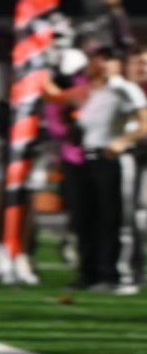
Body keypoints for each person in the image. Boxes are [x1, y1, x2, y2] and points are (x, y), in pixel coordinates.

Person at [44, 46, 147, 293]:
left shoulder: (124, 88)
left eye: (102, 61)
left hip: (112, 159)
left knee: (117, 219)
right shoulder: (91, 91)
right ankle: (92, 274)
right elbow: (57, 97)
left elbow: (144, 122)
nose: (94, 66)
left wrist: (122, 142)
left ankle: (121, 276)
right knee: (89, 219)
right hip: (88, 160)